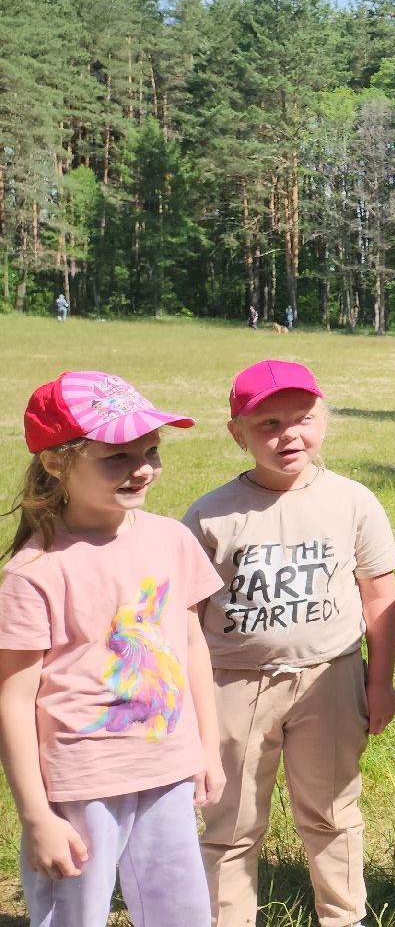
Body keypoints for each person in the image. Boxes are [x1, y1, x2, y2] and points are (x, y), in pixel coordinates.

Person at [183, 360, 395, 927]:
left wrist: (379, 684)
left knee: (332, 810)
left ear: (324, 417)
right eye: (268, 424)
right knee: (230, 821)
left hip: (330, 679)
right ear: (237, 433)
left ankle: (343, 915)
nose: (289, 436)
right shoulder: (212, 516)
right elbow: (183, 618)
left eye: (302, 419)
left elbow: (379, 598)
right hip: (233, 685)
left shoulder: (352, 501)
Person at [0, 371, 222, 926]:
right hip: (82, 781)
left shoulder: (171, 538)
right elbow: (13, 698)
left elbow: (192, 644)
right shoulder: (34, 573)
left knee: (180, 910)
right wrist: (36, 816)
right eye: (117, 456)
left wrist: (207, 751)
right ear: (56, 462)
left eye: (150, 450)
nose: (142, 468)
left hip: (167, 766)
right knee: (75, 915)